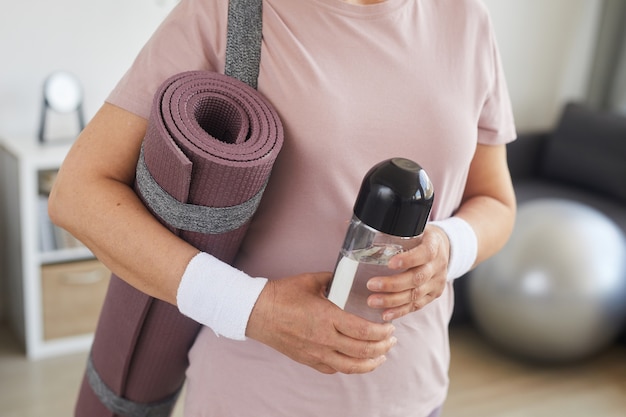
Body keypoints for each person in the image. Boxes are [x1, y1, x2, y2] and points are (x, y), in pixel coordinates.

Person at [48, 0, 517, 416]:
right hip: (254, 397)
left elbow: (495, 201)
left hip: (415, 393)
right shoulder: (226, 13)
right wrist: (255, 309)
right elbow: (79, 193)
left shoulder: (466, 16)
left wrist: (447, 248)